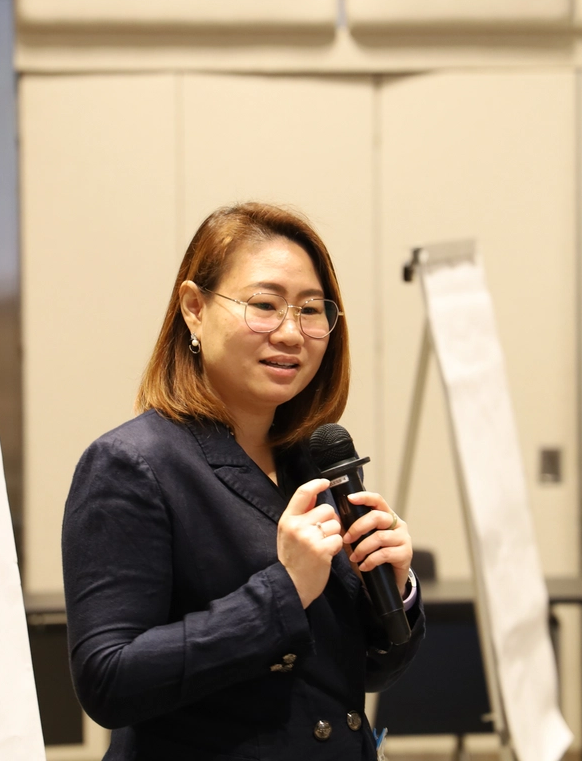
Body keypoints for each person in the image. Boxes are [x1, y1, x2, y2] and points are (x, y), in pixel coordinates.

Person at [62, 203, 425, 760]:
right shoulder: (132, 464)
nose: (292, 333)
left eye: (310, 310)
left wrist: (394, 591)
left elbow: (366, 673)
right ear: (194, 309)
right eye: (264, 305)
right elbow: (108, 682)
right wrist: (285, 590)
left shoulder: (313, 462)